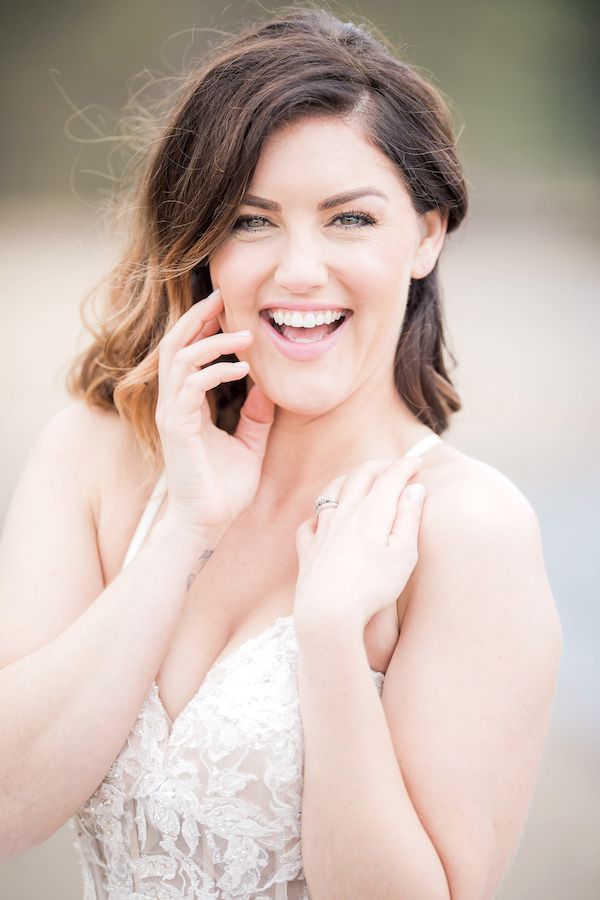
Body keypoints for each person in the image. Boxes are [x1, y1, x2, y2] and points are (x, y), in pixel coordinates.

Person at [0, 8, 561, 899]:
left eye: (349, 219)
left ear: (426, 233)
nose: (299, 270)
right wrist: (182, 530)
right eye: (253, 221)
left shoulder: (467, 530)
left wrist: (332, 642)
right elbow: (9, 811)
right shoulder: (98, 451)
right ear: (204, 242)